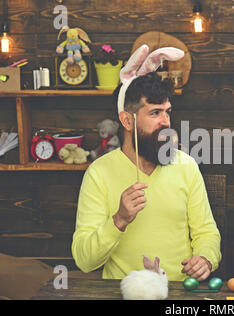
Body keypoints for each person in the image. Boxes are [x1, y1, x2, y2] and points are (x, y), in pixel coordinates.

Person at [72, 47, 221, 281]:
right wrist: (119, 219)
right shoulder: (98, 173)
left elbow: (207, 232)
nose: (166, 121)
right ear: (126, 121)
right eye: (155, 113)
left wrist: (205, 258)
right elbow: (84, 260)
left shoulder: (186, 165)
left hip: (179, 293)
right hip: (124, 293)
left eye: (167, 112)